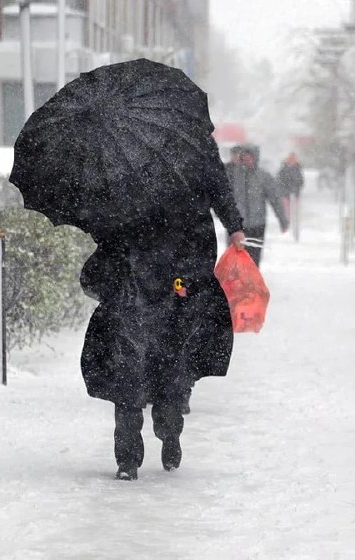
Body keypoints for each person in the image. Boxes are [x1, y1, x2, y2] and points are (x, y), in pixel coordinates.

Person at [79, 139, 246, 481]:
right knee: (133, 366)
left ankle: (169, 430)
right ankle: (128, 457)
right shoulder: (124, 157)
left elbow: (216, 186)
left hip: (176, 279)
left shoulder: (179, 153)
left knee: (166, 362)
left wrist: (234, 224)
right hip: (138, 279)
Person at [229, 144, 289, 266]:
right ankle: (237, 284)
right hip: (237, 226)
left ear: (256, 158)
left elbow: (275, 200)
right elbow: (221, 198)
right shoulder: (233, 176)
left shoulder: (263, 177)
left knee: (253, 259)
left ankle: (252, 284)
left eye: (250, 157)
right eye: (244, 157)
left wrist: (283, 220)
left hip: (257, 225)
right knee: (235, 260)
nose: (247, 160)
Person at [276, 152, 304, 220]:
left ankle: (293, 217)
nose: (292, 161)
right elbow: (280, 179)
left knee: (294, 206)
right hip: (286, 191)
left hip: (293, 191)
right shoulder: (285, 168)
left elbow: (300, 180)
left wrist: (297, 186)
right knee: (287, 206)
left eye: (293, 159)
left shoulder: (296, 168)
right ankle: (288, 217)